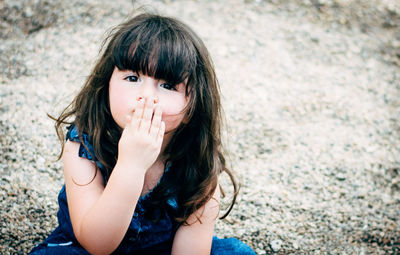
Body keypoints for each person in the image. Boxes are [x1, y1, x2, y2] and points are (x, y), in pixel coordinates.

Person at [30, 12, 255, 255]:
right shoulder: (84, 145)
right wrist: (131, 165)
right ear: (106, 85)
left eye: (167, 85)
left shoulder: (197, 168)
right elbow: (97, 244)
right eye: (132, 77)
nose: (147, 96)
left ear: (191, 107)